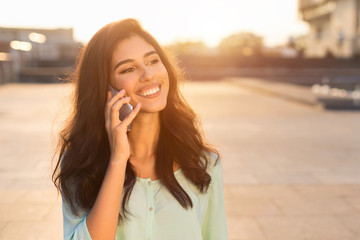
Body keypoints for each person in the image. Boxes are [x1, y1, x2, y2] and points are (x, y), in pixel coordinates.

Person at [52, 18, 228, 240]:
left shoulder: (204, 163)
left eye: (153, 61)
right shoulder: (82, 164)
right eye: (129, 68)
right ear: (105, 89)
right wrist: (118, 160)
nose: (148, 75)